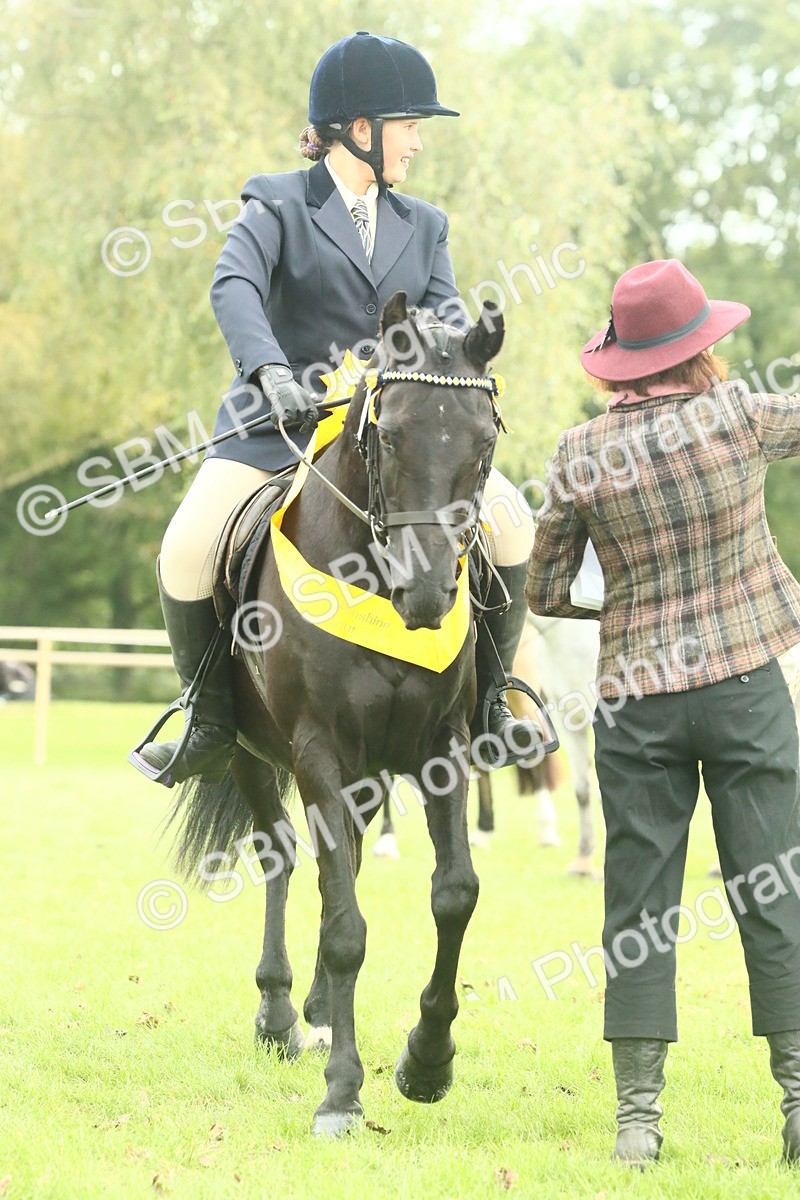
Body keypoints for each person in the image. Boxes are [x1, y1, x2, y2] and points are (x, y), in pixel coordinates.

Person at [131, 31, 535, 787]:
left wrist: (458, 359)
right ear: (360, 129)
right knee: (185, 549)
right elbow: (235, 287)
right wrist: (272, 370)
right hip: (275, 431)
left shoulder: (426, 225)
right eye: (409, 126)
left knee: (513, 525)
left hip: (390, 443)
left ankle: (492, 705)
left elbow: (443, 320)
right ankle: (208, 717)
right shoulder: (277, 203)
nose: (416, 144)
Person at [525, 258, 800, 1166]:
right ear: (702, 347)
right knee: (774, 884)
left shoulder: (580, 453)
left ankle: (637, 1123)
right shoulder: (742, 415)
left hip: (636, 699)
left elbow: (546, 589)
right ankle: (798, 1102)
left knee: (638, 902)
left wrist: (624, 615)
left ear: (622, 358)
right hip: (745, 690)